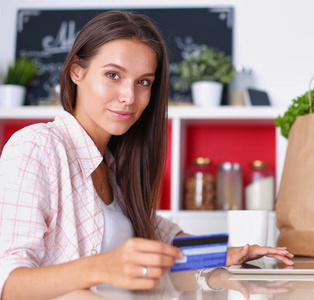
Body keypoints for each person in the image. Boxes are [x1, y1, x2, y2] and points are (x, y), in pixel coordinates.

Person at [0, 10, 293, 299]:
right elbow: (8, 283)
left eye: (143, 82)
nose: (129, 96)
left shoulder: (115, 167)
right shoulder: (36, 148)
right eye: (113, 75)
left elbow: (162, 239)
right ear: (77, 71)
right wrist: (100, 267)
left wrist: (230, 252)